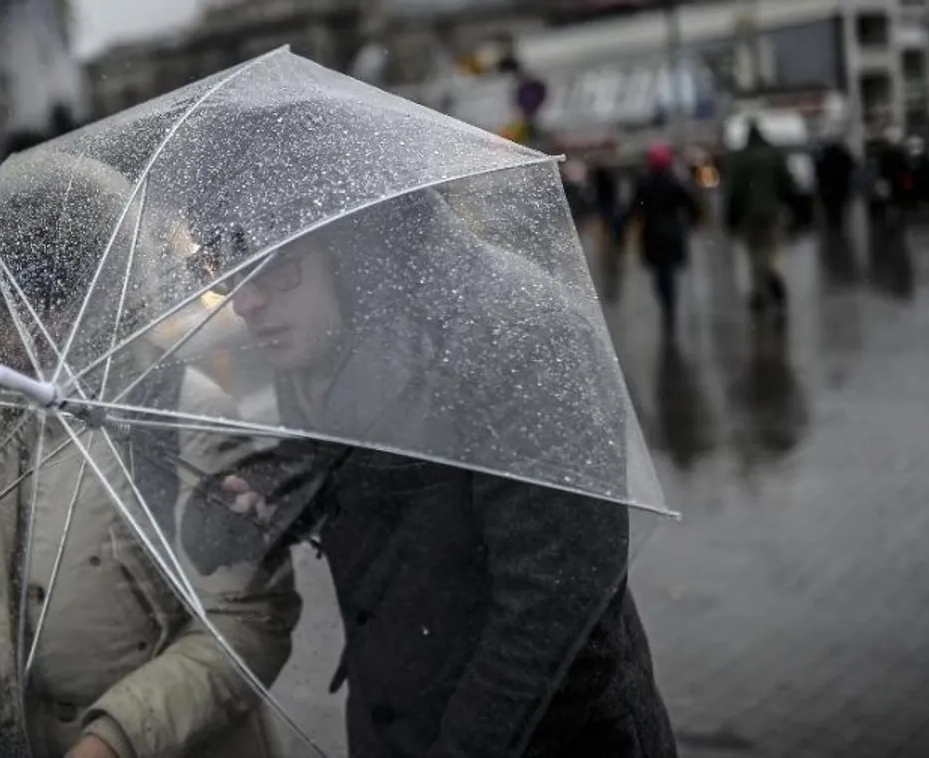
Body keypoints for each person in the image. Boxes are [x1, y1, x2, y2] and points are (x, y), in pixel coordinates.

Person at [181, 190, 676, 758]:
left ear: (346, 247)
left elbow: (559, 631)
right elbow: (342, 468)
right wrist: (259, 493)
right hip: (395, 720)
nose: (244, 303)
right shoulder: (329, 335)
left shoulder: (518, 336)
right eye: (229, 268)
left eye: (273, 267)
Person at [0, 159, 301, 758]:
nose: (22, 333)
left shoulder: (179, 411)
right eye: (7, 308)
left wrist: (115, 737)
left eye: (49, 302)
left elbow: (247, 619)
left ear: (105, 295)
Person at [627, 142, 700, 339]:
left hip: (653, 235)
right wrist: (693, 221)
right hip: (672, 232)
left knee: (660, 274)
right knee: (668, 272)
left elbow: (634, 209)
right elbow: (691, 204)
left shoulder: (644, 184)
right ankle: (670, 302)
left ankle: (666, 300)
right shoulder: (674, 182)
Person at [725, 121, 797, 321]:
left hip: (749, 214)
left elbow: (735, 190)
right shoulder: (773, 155)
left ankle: (759, 291)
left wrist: (731, 217)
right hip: (772, 211)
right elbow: (787, 183)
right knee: (773, 248)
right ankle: (773, 276)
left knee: (754, 253)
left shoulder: (740, 159)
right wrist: (793, 206)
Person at [815, 136, 857, 235]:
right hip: (841, 186)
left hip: (827, 188)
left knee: (830, 207)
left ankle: (832, 223)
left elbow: (818, 173)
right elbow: (853, 166)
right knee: (840, 206)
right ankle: (838, 223)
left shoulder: (823, 158)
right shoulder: (844, 156)